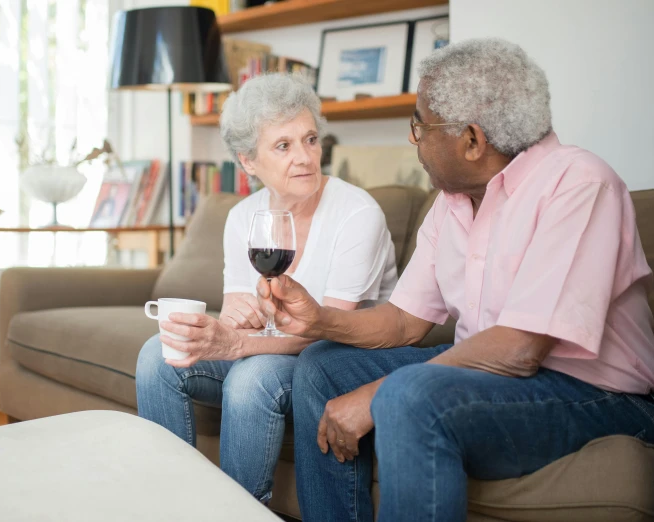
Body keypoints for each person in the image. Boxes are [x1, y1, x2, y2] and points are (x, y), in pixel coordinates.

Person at [255, 38, 654, 521]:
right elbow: (404, 322)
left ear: (471, 140)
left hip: (596, 396)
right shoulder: (455, 200)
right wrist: (319, 320)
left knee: (406, 394)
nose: (412, 137)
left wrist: (378, 394)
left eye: (419, 124)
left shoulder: (580, 184)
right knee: (322, 364)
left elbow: (521, 348)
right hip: (482, 378)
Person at [135, 73, 399, 503]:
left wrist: (237, 343)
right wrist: (234, 321)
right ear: (248, 161)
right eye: (284, 145)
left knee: (250, 378)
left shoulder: (357, 215)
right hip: (274, 346)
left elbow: (328, 329)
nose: (305, 157)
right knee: (157, 355)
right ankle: (172, 502)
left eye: (310, 139)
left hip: (333, 358)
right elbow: (241, 308)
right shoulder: (244, 217)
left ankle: (241, 511)